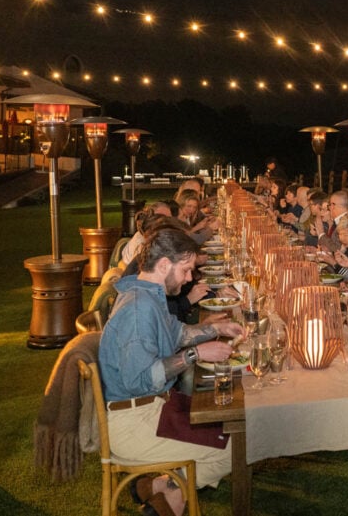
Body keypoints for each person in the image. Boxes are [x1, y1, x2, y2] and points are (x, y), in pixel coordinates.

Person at [99, 227, 245, 516]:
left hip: (150, 408)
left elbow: (177, 333)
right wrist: (196, 354)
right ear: (164, 265)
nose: (190, 278)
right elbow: (141, 379)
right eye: (186, 270)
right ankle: (169, 495)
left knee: (232, 425)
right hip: (135, 421)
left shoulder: (146, 295)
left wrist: (216, 328)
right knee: (238, 446)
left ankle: (159, 490)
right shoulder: (139, 309)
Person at [122, 201, 178, 266]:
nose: (166, 222)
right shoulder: (142, 240)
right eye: (160, 218)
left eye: (169, 218)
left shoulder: (163, 237)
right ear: (150, 218)